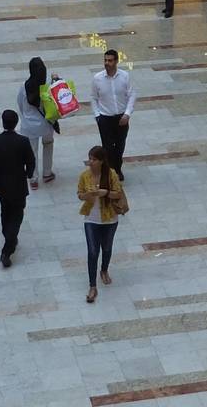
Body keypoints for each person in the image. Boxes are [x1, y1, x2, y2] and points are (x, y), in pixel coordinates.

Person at [0, 109, 35, 268]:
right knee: (17, 214)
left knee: (5, 211)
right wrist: (28, 174)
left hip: (1, 185)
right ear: (16, 123)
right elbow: (31, 161)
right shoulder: (23, 141)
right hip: (18, 184)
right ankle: (8, 246)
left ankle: (8, 237)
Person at [77, 144, 125, 304]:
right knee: (92, 251)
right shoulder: (85, 176)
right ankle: (92, 286)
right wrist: (87, 195)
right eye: (90, 158)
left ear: (102, 161)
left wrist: (106, 193)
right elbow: (79, 194)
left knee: (107, 248)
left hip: (109, 218)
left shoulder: (111, 175)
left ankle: (104, 269)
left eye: (94, 159)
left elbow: (118, 193)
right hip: (91, 218)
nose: (90, 162)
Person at [91, 49, 135, 180]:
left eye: (110, 60)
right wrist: (97, 116)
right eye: (105, 60)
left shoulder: (125, 76)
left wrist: (127, 114)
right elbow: (93, 97)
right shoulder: (97, 78)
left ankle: (117, 167)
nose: (107, 63)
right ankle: (111, 171)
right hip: (105, 118)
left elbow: (132, 94)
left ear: (116, 61)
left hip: (121, 117)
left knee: (120, 145)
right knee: (108, 147)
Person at [17, 57, 57, 185]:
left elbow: (20, 104)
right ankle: (47, 173)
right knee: (48, 145)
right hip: (46, 123)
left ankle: (33, 179)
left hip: (29, 125)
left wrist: (27, 116)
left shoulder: (24, 87)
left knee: (32, 151)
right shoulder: (46, 87)